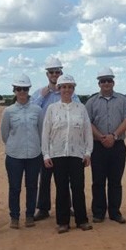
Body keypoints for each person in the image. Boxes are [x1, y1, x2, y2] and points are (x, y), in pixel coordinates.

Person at [41, 74, 94, 234]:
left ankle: (81, 220)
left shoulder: (81, 108)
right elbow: (46, 133)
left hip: (77, 154)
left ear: (73, 89)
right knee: (61, 189)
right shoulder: (52, 109)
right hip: (57, 154)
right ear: (59, 89)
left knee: (78, 187)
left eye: (70, 87)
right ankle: (63, 222)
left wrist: (88, 152)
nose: (67, 90)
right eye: (64, 87)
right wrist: (46, 154)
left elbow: (87, 132)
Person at [30, 56, 79, 221]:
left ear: (61, 72)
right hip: (45, 142)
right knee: (44, 177)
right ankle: (43, 208)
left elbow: (79, 110)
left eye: (57, 71)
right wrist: (42, 96)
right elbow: (31, 111)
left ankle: (67, 206)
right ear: (47, 74)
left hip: (65, 142)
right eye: (51, 72)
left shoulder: (70, 92)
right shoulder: (39, 93)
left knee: (66, 177)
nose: (55, 74)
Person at [85, 67, 126, 224]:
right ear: (99, 83)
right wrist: (100, 137)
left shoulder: (123, 100)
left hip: (118, 145)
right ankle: (98, 213)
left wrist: (114, 136)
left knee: (115, 181)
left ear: (113, 82)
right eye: (103, 81)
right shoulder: (91, 102)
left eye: (109, 80)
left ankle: (115, 212)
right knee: (98, 181)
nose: (106, 83)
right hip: (98, 146)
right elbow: (88, 122)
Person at [1, 74, 43, 229]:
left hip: (34, 154)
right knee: (15, 187)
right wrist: (14, 145)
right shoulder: (8, 111)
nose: (22, 92)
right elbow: (5, 134)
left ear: (29, 90)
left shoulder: (37, 110)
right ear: (14, 90)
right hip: (14, 156)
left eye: (25, 89)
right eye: (19, 89)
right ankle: (14, 217)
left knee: (32, 186)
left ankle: (30, 215)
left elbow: (41, 131)